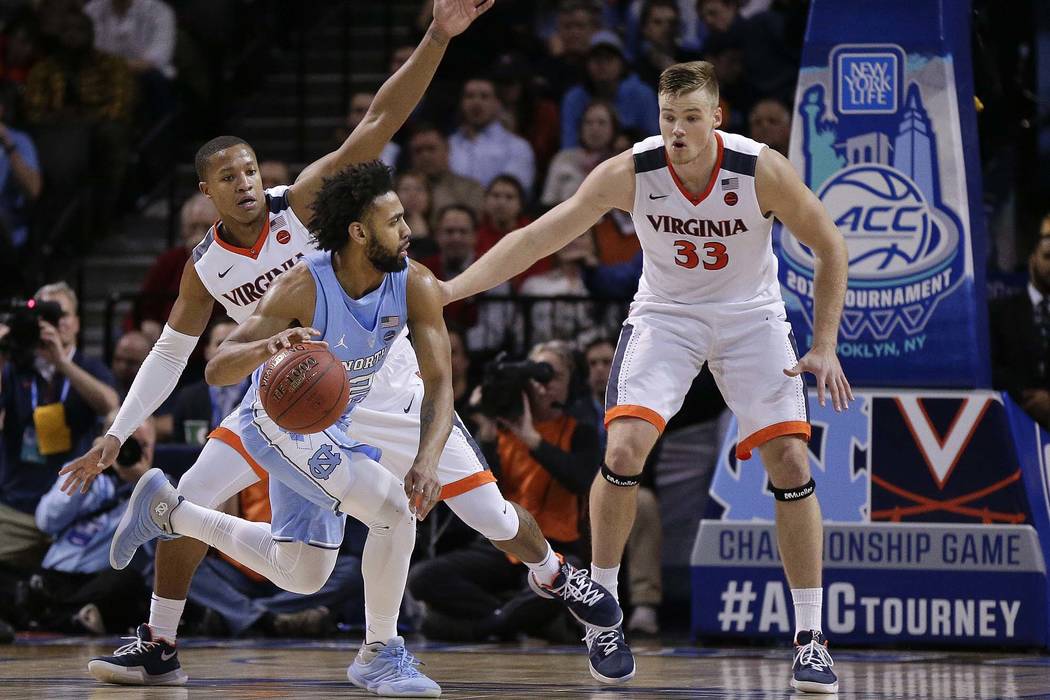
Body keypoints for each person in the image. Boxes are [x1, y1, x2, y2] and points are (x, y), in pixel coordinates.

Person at [61, 4, 618, 694]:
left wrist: (438, 35)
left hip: (388, 389)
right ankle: (160, 641)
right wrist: (118, 431)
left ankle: (555, 574)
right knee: (197, 490)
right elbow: (176, 355)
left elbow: (380, 121)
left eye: (250, 170)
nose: (244, 184)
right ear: (206, 192)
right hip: (298, 398)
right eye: (228, 177)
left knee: (489, 516)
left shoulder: (303, 206)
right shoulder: (206, 268)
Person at [441, 60, 851, 693]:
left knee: (791, 461)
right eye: (668, 118)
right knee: (623, 449)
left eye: (691, 117)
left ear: (717, 118)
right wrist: (452, 290)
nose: (678, 130)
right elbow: (538, 238)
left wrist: (824, 345)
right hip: (667, 315)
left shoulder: (759, 169)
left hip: (750, 317)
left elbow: (830, 246)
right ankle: (602, 616)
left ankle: (811, 638)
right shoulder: (632, 171)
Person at [409, 340, 600, 642]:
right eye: (536, 376)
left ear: (571, 384)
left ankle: (489, 625)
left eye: (553, 376)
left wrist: (532, 438)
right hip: (503, 544)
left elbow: (579, 480)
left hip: (556, 546)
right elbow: (486, 486)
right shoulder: (501, 429)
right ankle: (521, 620)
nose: (542, 386)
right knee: (423, 578)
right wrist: (486, 432)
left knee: (568, 577)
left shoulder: (581, 431)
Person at [0, 282, 119, 571]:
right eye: (43, 316)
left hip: (71, 508)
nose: (52, 324)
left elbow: (111, 405)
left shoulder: (89, 367)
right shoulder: (15, 367)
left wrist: (62, 363)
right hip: (17, 505)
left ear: (76, 323)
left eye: (59, 315)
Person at [990, 218, 1050, 427]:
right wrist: (1026, 397)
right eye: (1047, 257)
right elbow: (992, 367)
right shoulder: (1000, 312)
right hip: (1012, 423)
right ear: (1032, 259)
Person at [560, 31, 659, 150]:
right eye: (597, 59)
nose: (602, 65)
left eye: (609, 58)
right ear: (587, 64)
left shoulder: (642, 94)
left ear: (621, 64)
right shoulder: (574, 98)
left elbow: (654, 142)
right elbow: (569, 147)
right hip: (585, 158)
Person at [448, 76, 536, 195]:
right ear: (461, 103)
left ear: (498, 103)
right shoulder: (448, 144)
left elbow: (513, 193)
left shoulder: (518, 147)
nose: (476, 102)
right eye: (469, 96)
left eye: (484, 96)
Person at [542, 100, 620, 208]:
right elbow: (548, 201)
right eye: (588, 123)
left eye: (602, 123)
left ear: (613, 128)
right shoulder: (562, 158)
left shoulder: (619, 163)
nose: (595, 128)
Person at [408, 123, 485, 224]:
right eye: (418, 151)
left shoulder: (470, 189)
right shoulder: (399, 191)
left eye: (431, 149)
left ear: (447, 149)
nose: (425, 156)